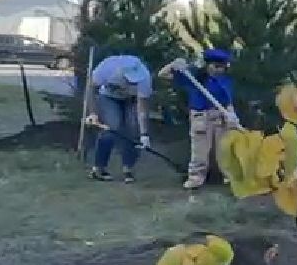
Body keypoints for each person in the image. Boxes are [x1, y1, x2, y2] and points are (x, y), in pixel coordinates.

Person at [161, 49, 239, 190]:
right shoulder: (193, 77)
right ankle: (195, 178)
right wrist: (173, 65)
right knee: (200, 150)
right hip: (201, 117)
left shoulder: (226, 80)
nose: (219, 70)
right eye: (216, 66)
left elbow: (228, 100)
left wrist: (232, 116)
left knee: (224, 149)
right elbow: (163, 75)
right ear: (207, 65)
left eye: (222, 67)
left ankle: (231, 177)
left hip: (221, 116)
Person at [88, 53, 154, 184]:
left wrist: (144, 134)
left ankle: (128, 169)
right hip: (108, 97)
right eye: (129, 81)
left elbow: (141, 109)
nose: (131, 84)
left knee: (133, 128)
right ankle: (99, 168)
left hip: (132, 100)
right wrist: (93, 113)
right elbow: (90, 89)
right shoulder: (106, 69)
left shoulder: (144, 77)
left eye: (134, 82)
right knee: (112, 128)